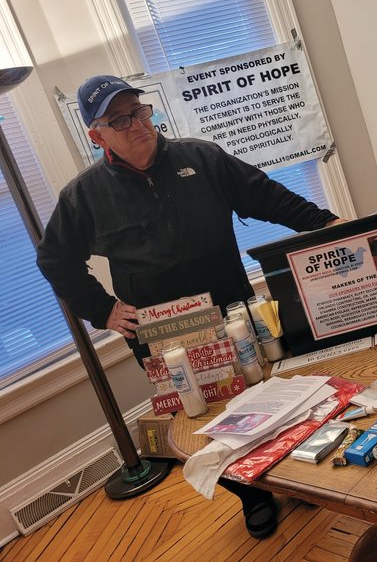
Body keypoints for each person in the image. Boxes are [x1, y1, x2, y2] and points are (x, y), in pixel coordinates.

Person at [37, 75, 341, 539]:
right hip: (163, 335)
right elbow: (55, 260)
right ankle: (252, 491)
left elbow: (266, 196)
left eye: (139, 111)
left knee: (271, 395)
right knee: (210, 416)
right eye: (120, 119)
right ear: (96, 135)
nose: (137, 123)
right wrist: (101, 310)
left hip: (231, 308)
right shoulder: (83, 196)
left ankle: (289, 471)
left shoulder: (201, 157)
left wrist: (325, 223)